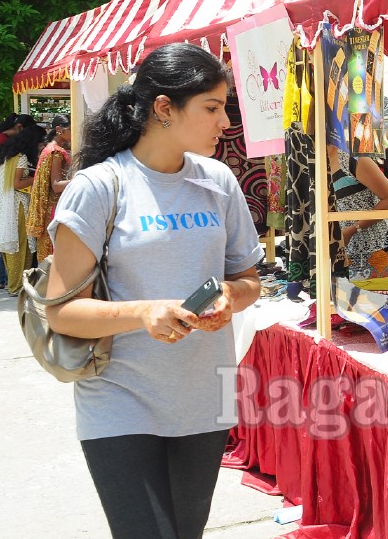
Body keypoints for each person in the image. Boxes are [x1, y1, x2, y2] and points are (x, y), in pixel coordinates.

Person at [44, 43, 263, 539]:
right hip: (119, 399)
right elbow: (60, 311)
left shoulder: (219, 181)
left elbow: (250, 279)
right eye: (211, 107)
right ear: (164, 108)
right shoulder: (100, 186)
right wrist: (145, 312)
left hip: (206, 396)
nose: (224, 121)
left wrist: (232, 295)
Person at [0, 124, 43, 295]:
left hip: (3, 208)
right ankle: (18, 286)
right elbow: (16, 184)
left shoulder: (5, 157)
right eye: (39, 143)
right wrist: (37, 178)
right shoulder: (21, 158)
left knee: (9, 248)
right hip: (18, 207)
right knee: (20, 248)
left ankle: (13, 284)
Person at [327, 142, 388, 285]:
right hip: (343, 257)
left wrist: (353, 229)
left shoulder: (352, 158)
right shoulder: (318, 166)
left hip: (374, 252)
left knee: (373, 304)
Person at [26, 114, 72, 262]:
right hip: (55, 209)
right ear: (59, 129)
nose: (73, 133)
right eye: (71, 129)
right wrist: (80, 179)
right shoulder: (56, 152)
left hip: (49, 210)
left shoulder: (48, 149)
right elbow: (57, 185)